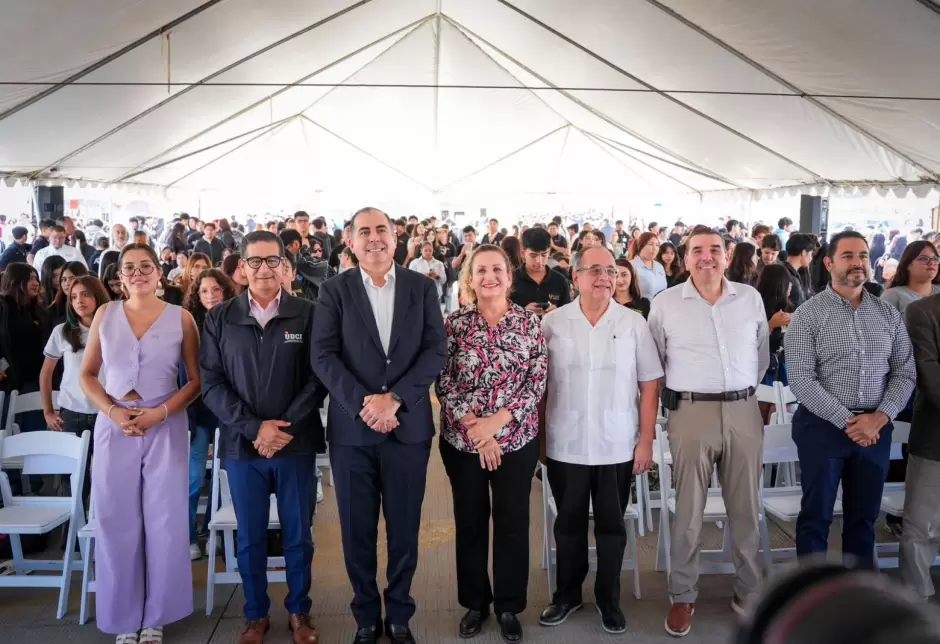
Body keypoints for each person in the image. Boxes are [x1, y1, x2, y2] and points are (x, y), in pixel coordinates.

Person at [312, 207, 447, 644]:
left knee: (405, 526)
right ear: (350, 241)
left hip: (408, 429)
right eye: (364, 231)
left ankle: (400, 613)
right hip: (354, 431)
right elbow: (323, 355)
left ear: (396, 238)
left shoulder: (422, 288)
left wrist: (396, 399)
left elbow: (435, 351)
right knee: (357, 529)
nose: (374, 238)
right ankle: (366, 615)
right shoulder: (334, 290)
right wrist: (364, 404)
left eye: (382, 230)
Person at [201, 232, 326, 644]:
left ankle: (299, 611)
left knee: (298, 535)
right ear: (241, 268)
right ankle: (255, 614)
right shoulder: (220, 317)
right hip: (243, 447)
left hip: (295, 444)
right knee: (250, 537)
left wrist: (281, 428)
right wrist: (255, 428)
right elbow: (212, 384)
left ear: (285, 266)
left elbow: (317, 379)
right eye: (254, 261)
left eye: (272, 260)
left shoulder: (308, 314)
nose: (264, 269)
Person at [647, 225, 769, 637]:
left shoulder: (749, 298)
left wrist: (743, 394)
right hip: (691, 412)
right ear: (684, 258)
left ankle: (749, 591)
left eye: (714, 249)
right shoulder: (665, 304)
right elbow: (655, 364)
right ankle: (683, 595)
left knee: (746, 508)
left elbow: (761, 355)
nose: (706, 257)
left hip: (743, 410)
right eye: (697, 250)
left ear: (727, 254)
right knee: (689, 512)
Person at [78, 243, 200, 643]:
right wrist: (113, 413)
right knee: (117, 521)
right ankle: (125, 616)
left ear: (159, 272)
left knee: (164, 521)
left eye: (146, 265)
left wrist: (159, 414)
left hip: (164, 424)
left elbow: (195, 381)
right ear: (119, 275)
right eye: (129, 267)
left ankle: (156, 617)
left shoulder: (182, 319)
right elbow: (88, 374)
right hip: (114, 424)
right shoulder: (104, 314)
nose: (138, 272)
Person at [539, 246, 662, 635]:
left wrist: (645, 440)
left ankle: (609, 599)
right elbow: (539, 387)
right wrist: (540, 439)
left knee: (612, 525)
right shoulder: (553, 323)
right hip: (566, 441)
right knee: (569, 524)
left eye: (610, 270)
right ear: (575, 277)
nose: (604, 277)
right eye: (594, 270)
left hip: (616, 441)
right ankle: (567, 595)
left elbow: (649, 384)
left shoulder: (632, 323)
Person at [435, 245, 547, 643]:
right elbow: (443, 380)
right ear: (470, 278)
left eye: (497, 269)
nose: (490, 277)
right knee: (470, 522)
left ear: (508, 275)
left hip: (515, 441)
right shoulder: (454, 325)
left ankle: (508, 606)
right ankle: (475, 603)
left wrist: (497, 424)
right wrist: (475, 428)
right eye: (481, 270)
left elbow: (535, 383)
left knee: (513, 523)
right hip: (463, 442)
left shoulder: (529, 325)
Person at [785, 231, 915, 569]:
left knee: (863, 519)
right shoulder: (807, 315)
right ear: (829, 263)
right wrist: (849, 420)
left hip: (875, 429)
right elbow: (800, 379)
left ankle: (858, 598)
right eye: (848, 256)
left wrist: (880, 417)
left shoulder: (887, 315)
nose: (858, 262)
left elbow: (905, 372)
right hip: (823, 428)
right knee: (816, 516)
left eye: (862, 255)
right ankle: (811, 596)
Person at [40, 275, 110, 503]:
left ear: (98, 295)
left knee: (107, 478)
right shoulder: (62, 331)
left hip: (106, 412)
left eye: (86, 294)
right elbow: (46, 373)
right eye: (73, 296)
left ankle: (102, 532)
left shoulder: (112, 328)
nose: (79, 301)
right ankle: (70, 535)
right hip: (72, 412)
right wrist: (48, 412)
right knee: (74, 482)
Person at [183, 268, 235, 560]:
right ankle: (189, 536)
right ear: (196, 295)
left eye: (216, 289)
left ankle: (217, 534)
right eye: (204, 291)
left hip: (227, 411)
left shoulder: (236, 320)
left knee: (223, 476)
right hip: (197, 413)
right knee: (192, 479)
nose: (211, 295)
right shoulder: (189, 326)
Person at [900, 293, 940, 600]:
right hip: (935, 436)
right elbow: (929, 376)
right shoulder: (922, 311)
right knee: (922, 523)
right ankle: (916, 596)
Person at [0, 263, 47, 430]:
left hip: (34, 382)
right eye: (30, 279)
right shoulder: (3, 306)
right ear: (16, 281)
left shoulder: (35, 309)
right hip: (9, 383)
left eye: (36, 278)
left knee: (32, 434)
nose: (36, 283)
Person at [510, 227, 571, 316]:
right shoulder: (510, 280)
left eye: (543, 255)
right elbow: (499, 314)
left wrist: (557, 313)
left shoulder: (560, 281)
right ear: (523, 253)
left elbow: (568, 315)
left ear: (549, 252)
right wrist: (522, 312)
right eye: (533, 255)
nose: (539, 261)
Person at [630, 232, 667, 299]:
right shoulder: (631, 266)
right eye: (651, 244)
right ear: (640, 246)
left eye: (657, 245)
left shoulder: (659, 266)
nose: (654, 248)